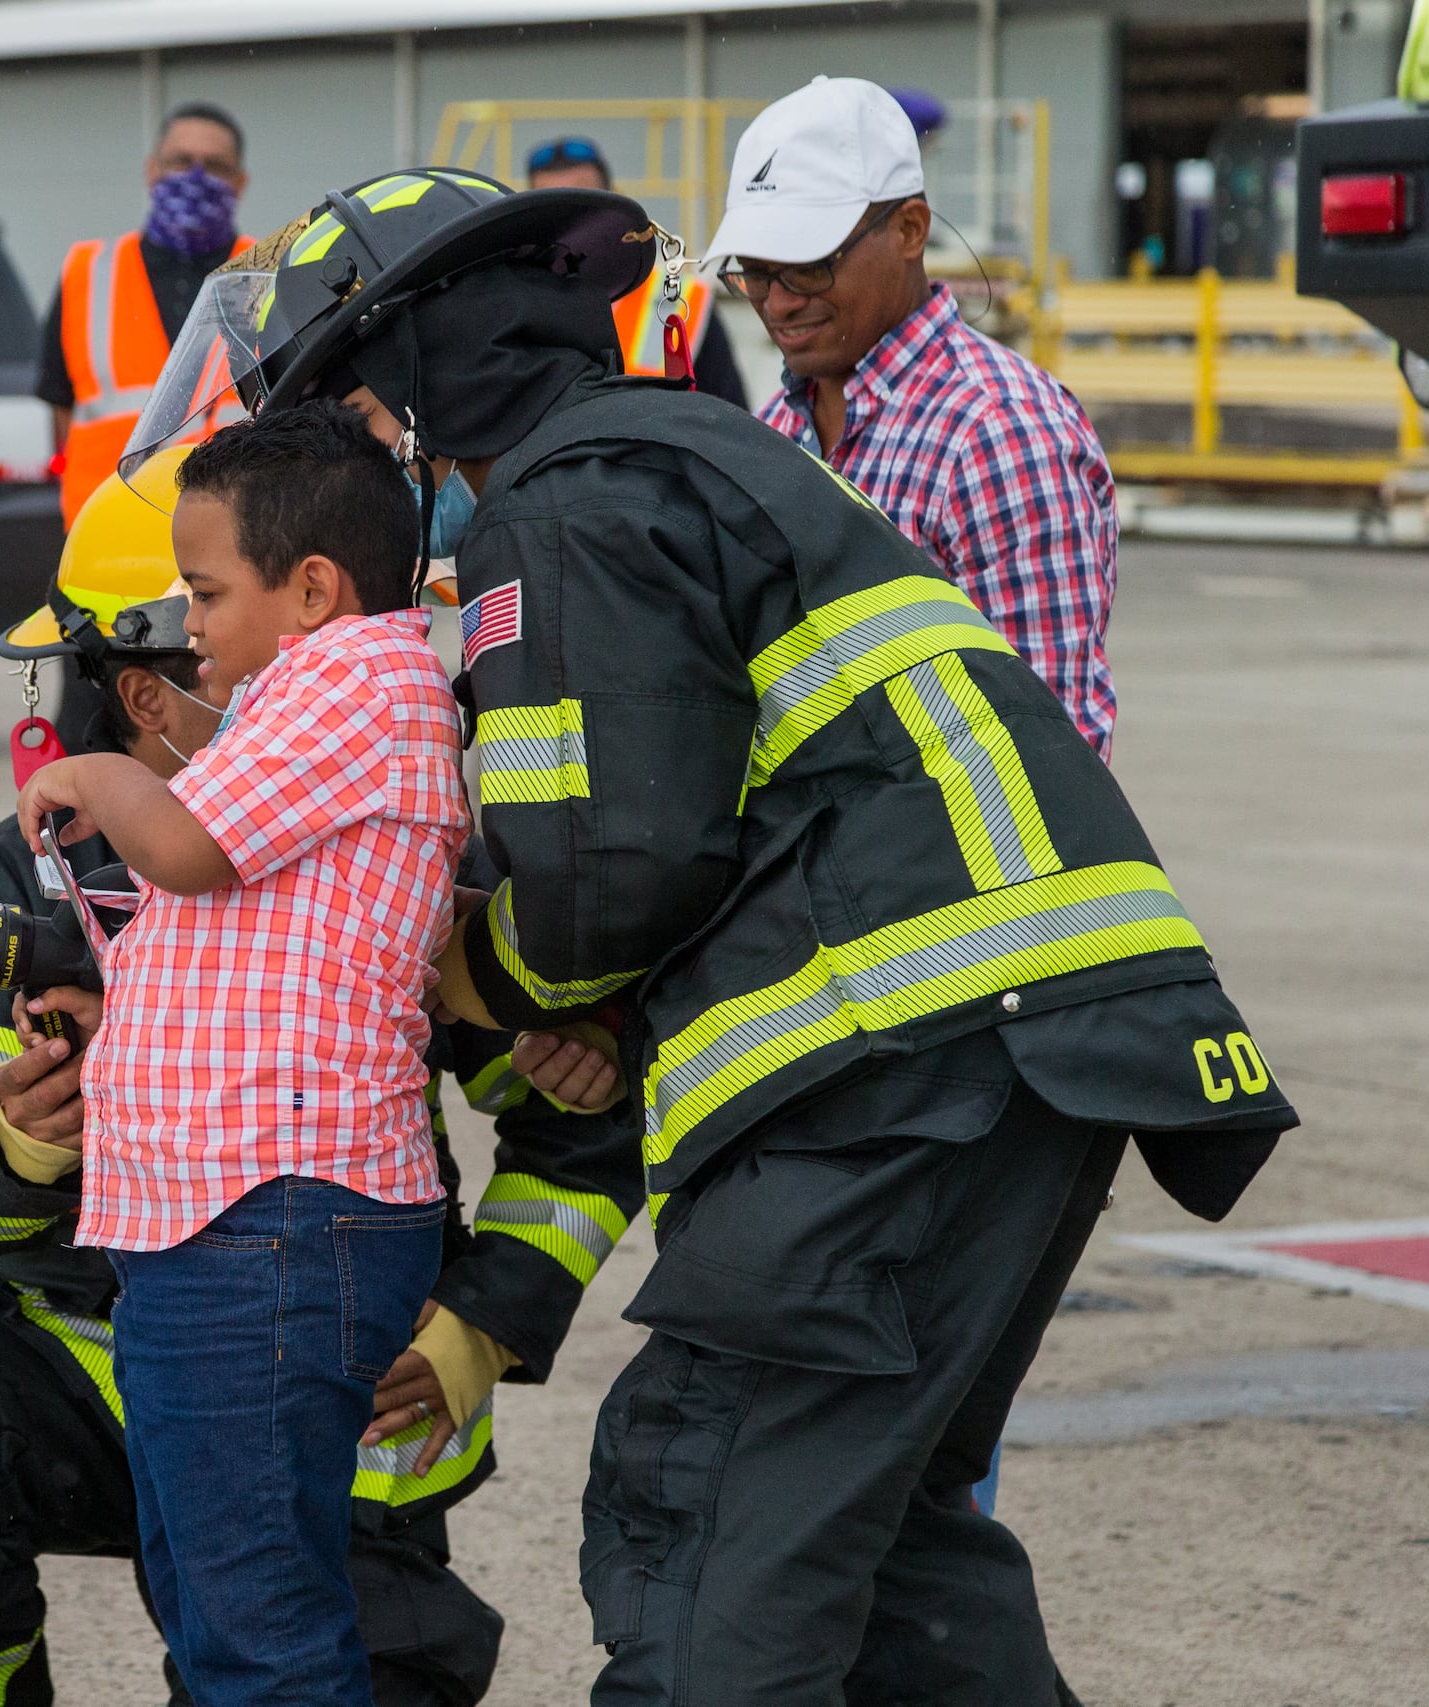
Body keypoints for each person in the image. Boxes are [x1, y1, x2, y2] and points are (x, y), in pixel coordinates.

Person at [143, 167, 1295, 1702]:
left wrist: (469, 972)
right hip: (1050, 1040)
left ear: (421, 378)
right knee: (884, 1562)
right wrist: (595, 1012)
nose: (350, 452)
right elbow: (707, 835)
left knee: (700, 1528)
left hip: (911, 1063)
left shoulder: (556, 519)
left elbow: (606, 879)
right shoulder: (690, 454)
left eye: (348, 406)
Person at [0, 453, 643, 1706]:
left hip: (303, 1333)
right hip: (59, 1364)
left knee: (282, 1654)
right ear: (146, 693)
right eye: (195, 616)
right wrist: (20, 1134)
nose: (231, 664)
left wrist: (476, 1327)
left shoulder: (367, 840)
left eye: (215, 602)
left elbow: (580, 1132)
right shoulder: (2, 891)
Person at [6, 405, 472, 1707]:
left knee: (259, 1626)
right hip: (228, 1224)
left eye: (206, 591)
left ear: (312, 585)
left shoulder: (355, 681)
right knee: (217, 1604)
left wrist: (97, 774)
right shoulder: (313, 695)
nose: (192, 625)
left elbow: (189, 849)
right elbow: (235, 928)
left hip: (268, 1222)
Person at [706, 77, 1122, 754]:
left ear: (908, 229)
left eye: (807, 268)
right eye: (754, 271)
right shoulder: (781, 431)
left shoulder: (999, 436)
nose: (776, 303)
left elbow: (1049, 758)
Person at [38, 101, 255, 528]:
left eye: (214, 165)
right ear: (151, 169)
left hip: (233, 533)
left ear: (240, 182)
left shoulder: (268, 273)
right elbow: (61, 411)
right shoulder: (88, 273)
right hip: (104, 532)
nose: (195, 177)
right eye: (180, 161)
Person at [525, 136, 746, 408]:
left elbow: (732, 419)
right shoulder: (520, 308)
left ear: (615, 211)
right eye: (552, 212)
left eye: (582, 210)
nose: (569, 228)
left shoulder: (681, 302)